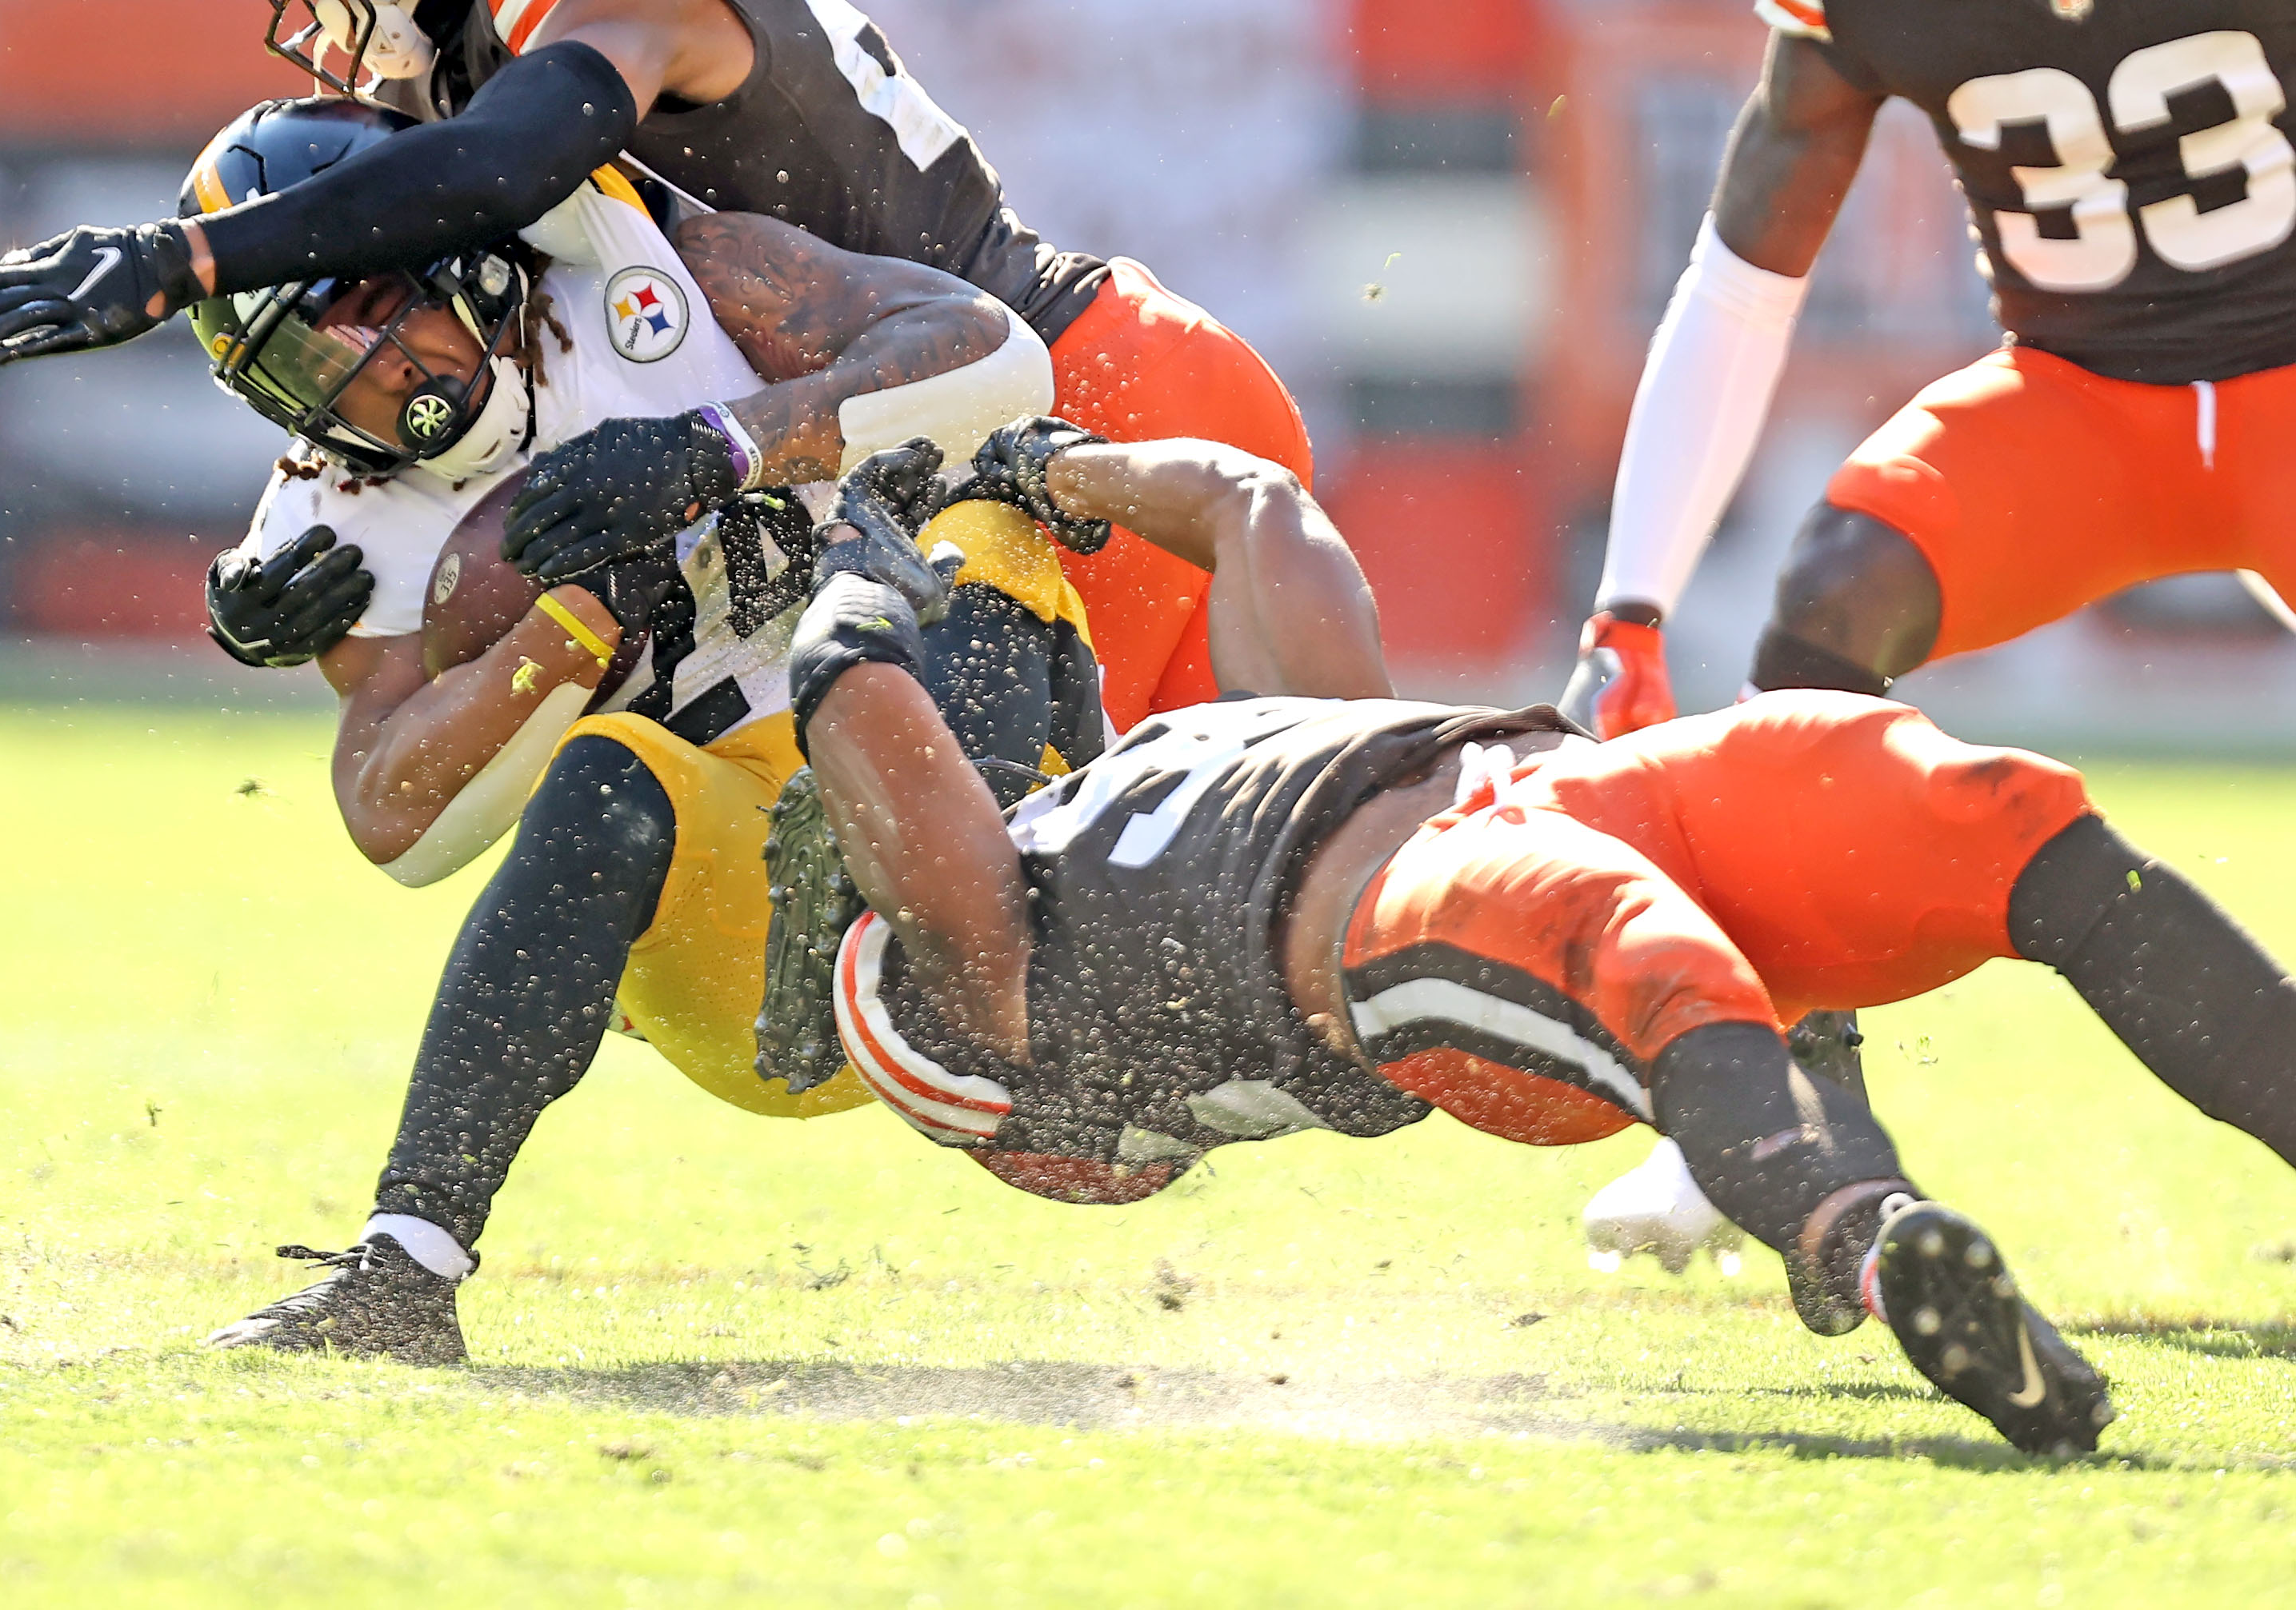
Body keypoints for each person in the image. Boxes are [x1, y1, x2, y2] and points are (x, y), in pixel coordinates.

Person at [780, 421, 2296, 1456]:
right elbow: (874, 723)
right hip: (1400, 938)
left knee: (1967, 801)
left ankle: (1843, 1138)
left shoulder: (1164, 777)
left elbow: (1257, 508)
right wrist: (842, 574)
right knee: (1625, 938)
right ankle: (1874, 1240)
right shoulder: (965, 978)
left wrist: (1052, 468)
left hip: (1558, 786)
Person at [0, 0, 1312, 732]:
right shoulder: (456, 78)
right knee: (1066, 1001)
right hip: (967, 453)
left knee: (1082, 975)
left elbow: (500, 168)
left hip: (1076, 401)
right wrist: (270, 570)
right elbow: (426, 347)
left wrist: (187, 259)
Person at [1558, 0, 2296, 1258]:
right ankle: (1784, 1106)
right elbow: (1746, 278)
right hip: (2082, 397)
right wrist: (1632, 594)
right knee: (1819, 621)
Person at [174, 96, 1087, 1360]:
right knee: (609, 769)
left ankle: (1039, 954)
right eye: (308, 368)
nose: (373, 386)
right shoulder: (339, 519)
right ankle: (402, 1270)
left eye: (379, 323)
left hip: (953, 784)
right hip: (765, 939)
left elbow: (994, 359)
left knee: (996, 511)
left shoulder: (645, 268)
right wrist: (578, 626)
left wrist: (724, 445)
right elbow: (396, 818)